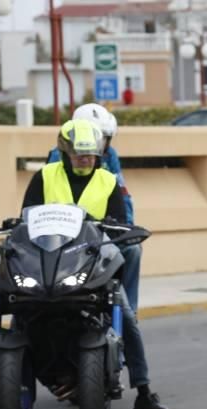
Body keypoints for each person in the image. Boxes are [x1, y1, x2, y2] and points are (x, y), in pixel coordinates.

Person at [0, 119, 168, 409]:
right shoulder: (45, 176)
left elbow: (118, 223)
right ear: (65, 152)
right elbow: (26, 219)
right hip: (46, 262)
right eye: (80, 154)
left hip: (89, 262)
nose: (85, 159)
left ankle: (144, 391)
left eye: (90, 154)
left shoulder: (108, 181)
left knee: (126, 314)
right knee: (17, 306)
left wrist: (117, 230)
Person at [47, 103, 142, 313]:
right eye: (102, 138)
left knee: (133, 251)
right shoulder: (58, 157)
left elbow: (122, 193)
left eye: (107, 139)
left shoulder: (110, 156)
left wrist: (126, 229)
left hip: (99, 234)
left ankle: (127, 312)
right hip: (63, 236)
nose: (104, 145)